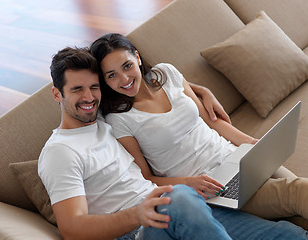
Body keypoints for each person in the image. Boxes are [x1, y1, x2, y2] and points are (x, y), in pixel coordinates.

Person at [38, 46, 308, 240]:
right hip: (139, 228)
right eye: (76, 89)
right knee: (178, 196)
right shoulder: (60, 152)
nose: (88, 97)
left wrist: (202, 90)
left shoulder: (101, 119)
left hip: (183, 207)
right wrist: (138, 214)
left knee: (289, 234)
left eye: (94, 87)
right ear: (56, 94)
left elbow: (159, 84)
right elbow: (73, 229)